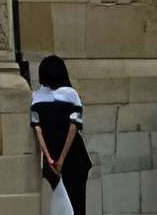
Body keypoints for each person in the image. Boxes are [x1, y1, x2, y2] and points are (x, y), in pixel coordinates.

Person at [30, 55, 91, 215]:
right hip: (73, 158)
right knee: (76, 205)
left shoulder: (36, 97)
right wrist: (61, 159)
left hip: (52, 160)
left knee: (58, 206)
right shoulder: (71, 94)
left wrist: (49, 157)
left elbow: (37, 129)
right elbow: (74, 127)